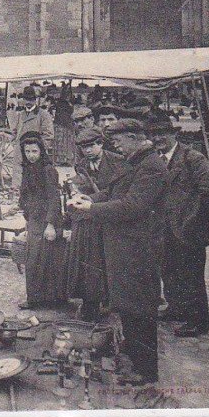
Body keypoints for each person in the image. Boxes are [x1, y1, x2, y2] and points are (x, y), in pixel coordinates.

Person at [70, 119, 169, 386]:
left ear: (135, 137)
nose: (118, 148)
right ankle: (132, 355)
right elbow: (114, 192)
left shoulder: (151, 167)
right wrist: (91, 199)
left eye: (120, 142)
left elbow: (132, 206)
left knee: (141, 310)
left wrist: (92, 210)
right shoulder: (137, 162)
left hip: (139, 249)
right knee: (127, 306)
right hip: (125, 248)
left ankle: (146, 371)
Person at [150, 117, 209, 338]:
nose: (158, 138)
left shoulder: (193, 158)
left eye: (163, 132)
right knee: (169, 270)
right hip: (164, 228)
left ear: (175, 134)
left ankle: (198, 320)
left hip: (188, 229)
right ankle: (177, 308)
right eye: (154, 134)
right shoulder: (156, 159)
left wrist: (196, 221)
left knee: (191, 276)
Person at [64, 127, 123, 321]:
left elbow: (116, 192)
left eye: (91, 146)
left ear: (100, 143)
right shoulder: (81, 164)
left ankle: (110, 302)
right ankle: (91, 301)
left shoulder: (117, 161)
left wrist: (90, 196)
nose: (87, 151)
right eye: (83, 148)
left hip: (109, 216)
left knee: (110, 260)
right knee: (89, 261)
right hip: (89, 219)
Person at [18, 131, 67, 309]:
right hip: (34, 218)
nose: (31, 155)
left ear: (41, 152)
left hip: (47, 219)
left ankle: (55, 299)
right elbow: (26, 195)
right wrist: (27, 217)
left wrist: (51, 224)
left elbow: (54, 198)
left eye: (34, 151)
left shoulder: (48, 170)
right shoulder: (27, 169)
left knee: (50, 259)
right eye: (28, 151)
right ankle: (36, 299)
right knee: (34, 260)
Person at [7, 85, 54, 188]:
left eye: (31, 99)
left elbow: (49, 135)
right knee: (19, 174)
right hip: (20, 149)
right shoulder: (20, 114)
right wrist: (14, 142)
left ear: (35, 100)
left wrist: (40, 148)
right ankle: (17, 192)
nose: (28, 102)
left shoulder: (43, 115)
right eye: (26, 99)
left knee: (34, 178)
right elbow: (14, 130)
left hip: (34, 152)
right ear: (23, 100)